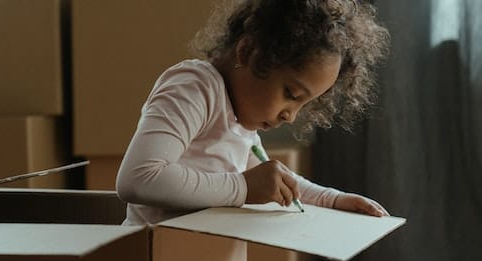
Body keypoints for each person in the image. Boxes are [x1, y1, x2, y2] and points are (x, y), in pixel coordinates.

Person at [116, 0, 391, 225]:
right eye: (291, 95)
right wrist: (244, 188)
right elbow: (138, 179)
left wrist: (332, 199)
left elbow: (278, 185)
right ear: (247, 52)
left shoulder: (241, 120)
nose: (290, 116)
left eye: (303, 105)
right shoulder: (195, 88)